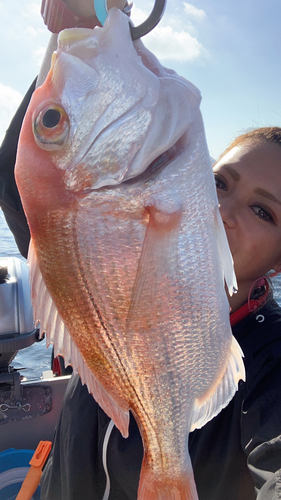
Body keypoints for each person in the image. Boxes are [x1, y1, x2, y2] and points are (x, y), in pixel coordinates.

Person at [1, 5, 281, 500]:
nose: (224, 209)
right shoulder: (87, 231)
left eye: (264, 212)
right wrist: (76, 29)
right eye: (219, 181)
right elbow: (20, 174)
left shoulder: (272, 360)